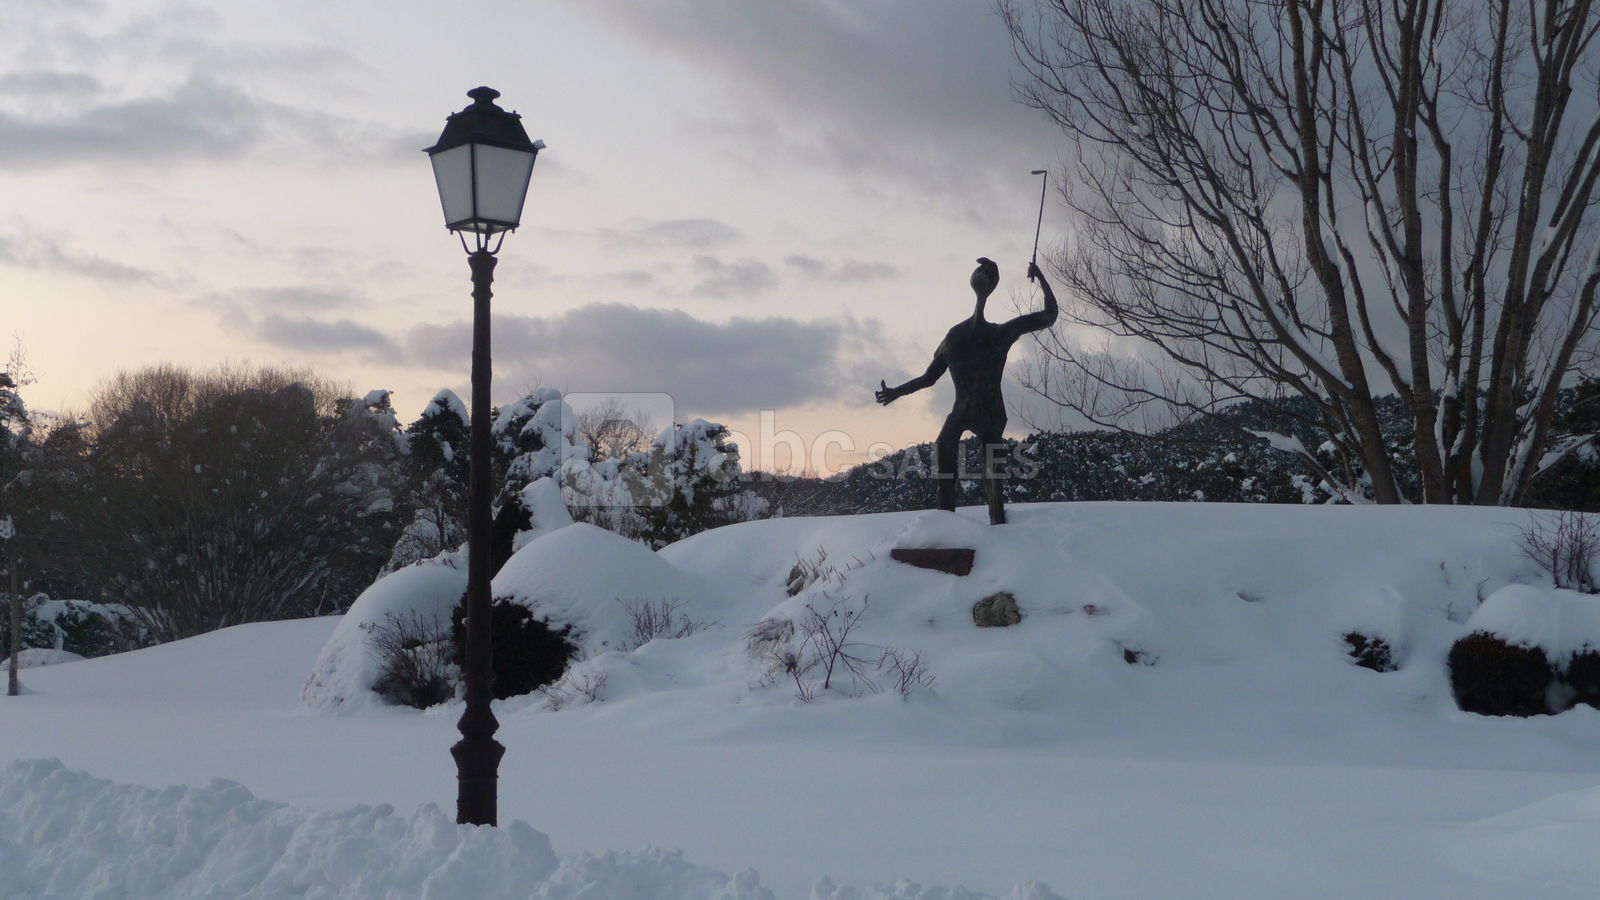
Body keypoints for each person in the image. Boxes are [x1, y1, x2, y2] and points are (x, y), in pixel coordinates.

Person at [875, 258, 1057, 524]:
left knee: (992, 472)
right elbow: (929, 377)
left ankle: (997, 525)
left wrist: (1042, 279)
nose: (983, 277)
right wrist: (896, 392)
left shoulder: (998, 334)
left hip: (991, 413)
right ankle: (946, 521)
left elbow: (1049, 316)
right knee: (944, 450)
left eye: (987, 275)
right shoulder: (955, 337)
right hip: (963, 410)